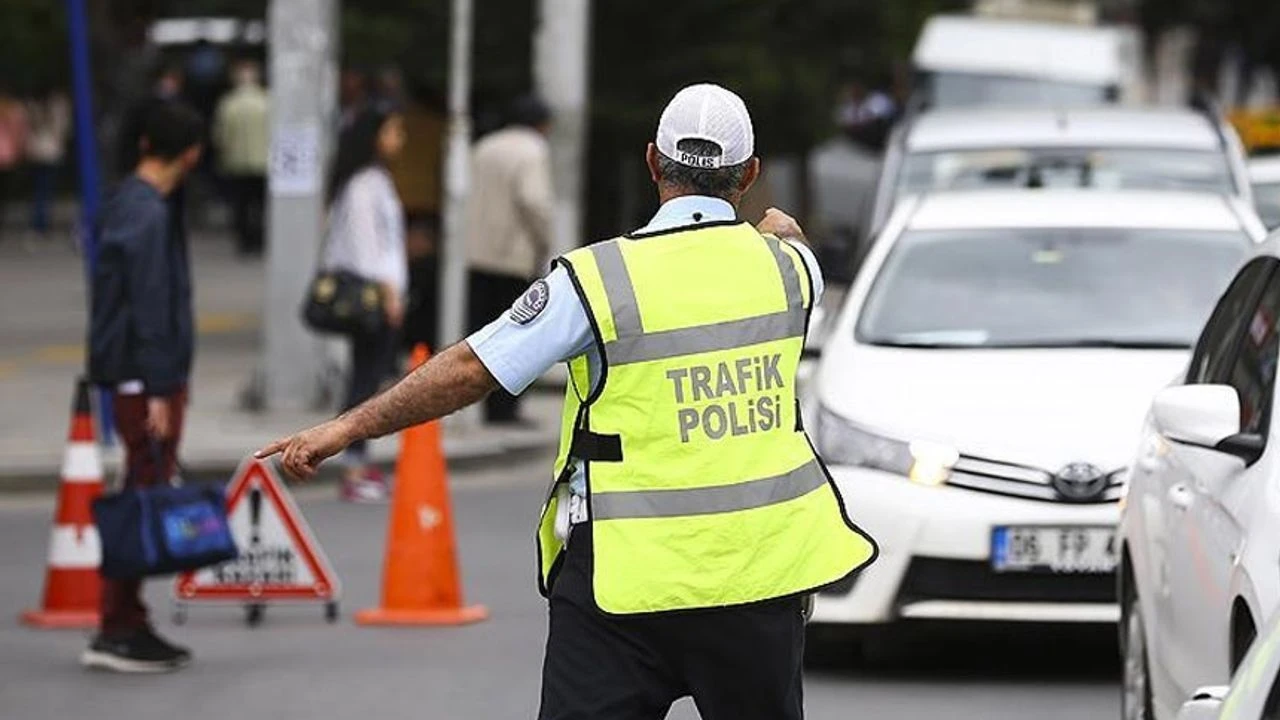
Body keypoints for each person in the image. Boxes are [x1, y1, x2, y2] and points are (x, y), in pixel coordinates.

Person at [258, 83, 877, 720]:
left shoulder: (596, 281)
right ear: (750, 174)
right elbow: (789, 236)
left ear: (650, 162)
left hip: (621, 584)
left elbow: (473, 368)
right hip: (757, 579)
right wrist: (777, 230)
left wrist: (348, 425)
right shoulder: (792, 271)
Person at [84, 101, 204, 673]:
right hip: (143, 379)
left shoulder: (128, 202)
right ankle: (118, 625)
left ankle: (126, 619)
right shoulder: (148, 214)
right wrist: (161, 388)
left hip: (137, 375)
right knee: (142, 494)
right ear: (191, 153)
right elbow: (150, 307)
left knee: (142, 486)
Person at [320, 107, 408, 503]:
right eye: (393, 131)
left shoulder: (373, 180)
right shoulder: (363, 185)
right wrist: (389, 293)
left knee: (368, 376)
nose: (399, 139)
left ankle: (358, 459)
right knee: (365, 380)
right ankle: (353, 464)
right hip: (372, 296)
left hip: (381, 293)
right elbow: (367, 248)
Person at [463, 94, 554, 424]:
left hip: (477, 253)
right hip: (513, 256)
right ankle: (505, 409)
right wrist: (544, 239)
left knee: (483, 332)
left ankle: (485, 404)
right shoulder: (533, 150)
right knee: (517, 335)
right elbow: (533, 200)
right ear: (542, 124)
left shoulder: (484, 147)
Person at [213, 59, 270, 256]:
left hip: (237, 162)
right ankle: (259, 239)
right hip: (263, 161)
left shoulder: (228, 104)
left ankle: (245, 240)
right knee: (261, 204)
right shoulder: (267, 102)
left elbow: (221, 135)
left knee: (242, 205)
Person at [24, 87, 70, 239]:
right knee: (46, 190)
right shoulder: (57, 106)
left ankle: (38, 223)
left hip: (37, 151)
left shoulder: (33, 107)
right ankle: (42, 223)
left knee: (39, 190)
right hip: (51, 152)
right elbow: (63, 128)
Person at [0, 85, 28, 240]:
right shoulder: (14, 111)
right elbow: (20, 133)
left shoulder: (12, 112)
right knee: (3, 193)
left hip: (7, 154)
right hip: (7, 156)